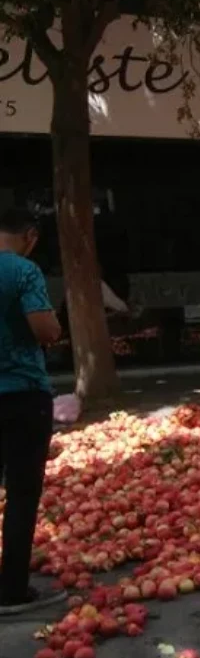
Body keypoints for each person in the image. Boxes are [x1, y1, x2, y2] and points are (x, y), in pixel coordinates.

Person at [0, 207, 65, 614]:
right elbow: (44, 328)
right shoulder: (24, 272)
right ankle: (12, 590)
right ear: (30, 236)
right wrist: (54, 328)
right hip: (22, 394)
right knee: (22, 494)